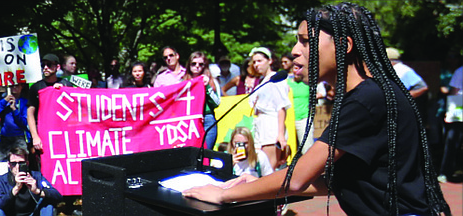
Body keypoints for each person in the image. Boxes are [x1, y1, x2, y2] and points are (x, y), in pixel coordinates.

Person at [183, 3, 451, 216]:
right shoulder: (374, 93)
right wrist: (249, 186)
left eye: (305, 41)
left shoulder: (366, 99)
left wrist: (220, 194)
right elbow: (339, 181)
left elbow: (297, 179)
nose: (295, 50)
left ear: (344, 46)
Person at [248, 47, 291, 171]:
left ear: (270, 61)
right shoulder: (263, 81)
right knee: (261, 165)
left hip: (271, 125)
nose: (256, 64)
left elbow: (281, 107)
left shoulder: (275, 79)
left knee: (269, 167)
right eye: (254, 62)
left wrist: (280, 134)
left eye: (259, 61)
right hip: (261, 125)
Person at [27, 53, 72, 170]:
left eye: (49, 65)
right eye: (43, 65)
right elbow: (30, 113)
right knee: (46, 167)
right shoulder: (36, 87)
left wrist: (62, 91)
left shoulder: (66, 84)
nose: (45, 67)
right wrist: (35, 136)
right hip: (44, 136)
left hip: (63, 135)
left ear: (57, 67)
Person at [0, 146, 62, 216]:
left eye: (21, 163)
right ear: (9, 165)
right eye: (14, 163)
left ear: (27, 163)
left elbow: (57, 196)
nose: (17, 167)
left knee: (48, 205)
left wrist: (37, 191)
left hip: (33, 214)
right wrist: (16, 189)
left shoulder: (36, 176)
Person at [182, 51, 220, 150]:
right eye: (194, 64)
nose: (197, 66)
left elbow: (217, 103)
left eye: (200, 64)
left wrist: (207, 87)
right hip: (189, 121)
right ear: (189, 65)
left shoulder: (211, 81)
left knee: (206, 153)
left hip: (208, 119)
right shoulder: (182, 82)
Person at [0, 83, 30, 161]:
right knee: (1, 163)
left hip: (19, 137)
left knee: (21, 161)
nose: (14, 87)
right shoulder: (3, 102)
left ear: (21, 87)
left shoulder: (24, 102)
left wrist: (15, 110)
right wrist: (4, 101)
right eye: (12, 85)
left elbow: (24, 123)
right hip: (5, 138)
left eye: (17, 85)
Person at [287, 67, 314, 154]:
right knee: (289, 149)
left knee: (307, 148)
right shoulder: (286, 83)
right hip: (289, 119)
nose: (297, 71)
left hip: (304, 118)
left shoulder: (308, 83)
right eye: (295, 69)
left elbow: (322, 92)